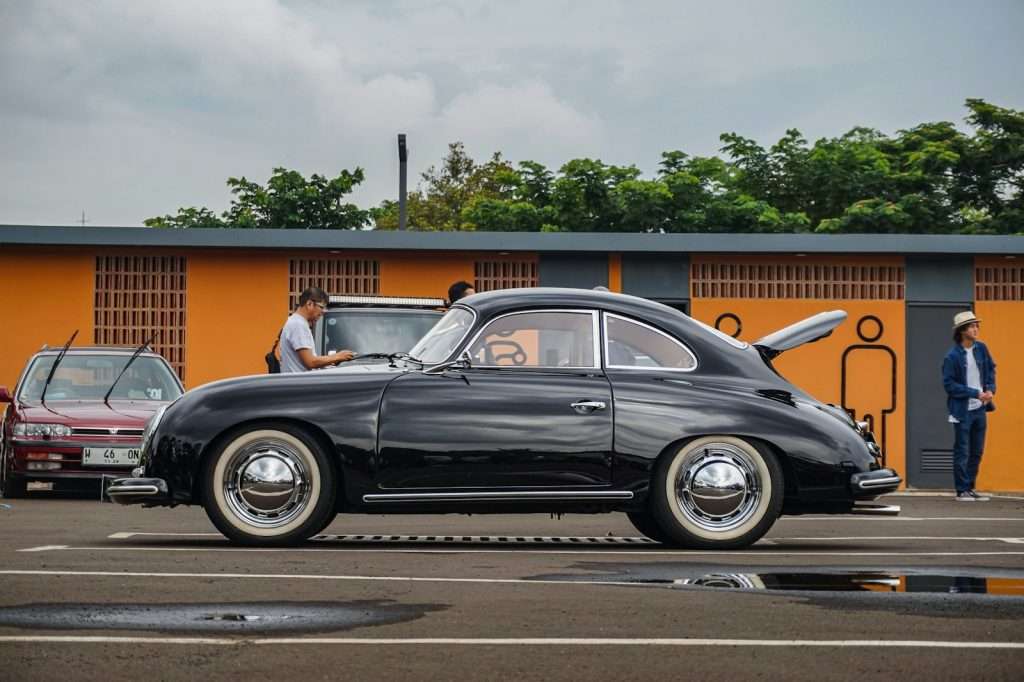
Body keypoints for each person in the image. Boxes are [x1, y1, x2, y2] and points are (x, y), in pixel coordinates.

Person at [942, 311, 997, 502]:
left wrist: (990, 389)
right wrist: (975, 393)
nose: (976, 329)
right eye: (972, 326)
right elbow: (949, 385)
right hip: (962, 411)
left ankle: (970, 487)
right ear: (962, 331)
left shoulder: (982, 349)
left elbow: (990, 370)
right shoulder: (952, 356)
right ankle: (961, 490)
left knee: (977, 451)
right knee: (962, 451)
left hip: (980, 409)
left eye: (976, 326)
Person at [279, 287, 355, 373]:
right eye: (321, 307)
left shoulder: (295, 322)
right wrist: (338, 356)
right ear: (309, 304)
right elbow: (311, 362)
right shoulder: (298, 325)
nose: (323, 312)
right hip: (299, 384)